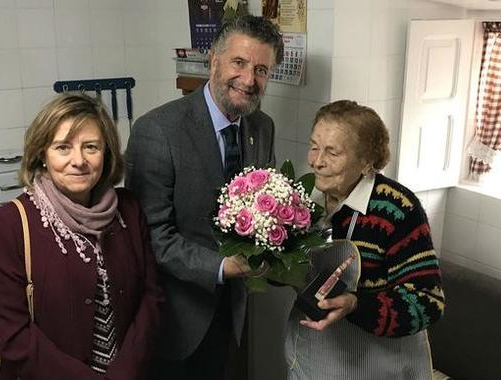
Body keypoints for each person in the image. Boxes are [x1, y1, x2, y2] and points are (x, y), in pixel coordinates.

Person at [125, 15, 283, 380]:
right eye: (239, 63)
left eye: (261, 69)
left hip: (233, 309)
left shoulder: (263, 127)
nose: (249, 80)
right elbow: (151, 235)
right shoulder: (157, 131)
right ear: (213, 60)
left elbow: (271, 207)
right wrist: (220, 267)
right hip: (173, 320)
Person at [0, 93, 163, 380]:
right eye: (63, 147)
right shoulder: (11, 224)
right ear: (42, 153)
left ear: (106, 152)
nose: (78, 160)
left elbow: (152, 299)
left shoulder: (128, 209)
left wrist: (124, 373)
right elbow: (12, 333)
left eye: (90, 147)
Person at [284, 100, 446, 379]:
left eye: (332, 152)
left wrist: (355, 305)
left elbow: (427, 303)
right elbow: (295, 271)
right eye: (314, 147)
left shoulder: (396, 209)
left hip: (380, 368)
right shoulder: (304, 200)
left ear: (366, 162)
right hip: (313, 362)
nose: (317, 161)